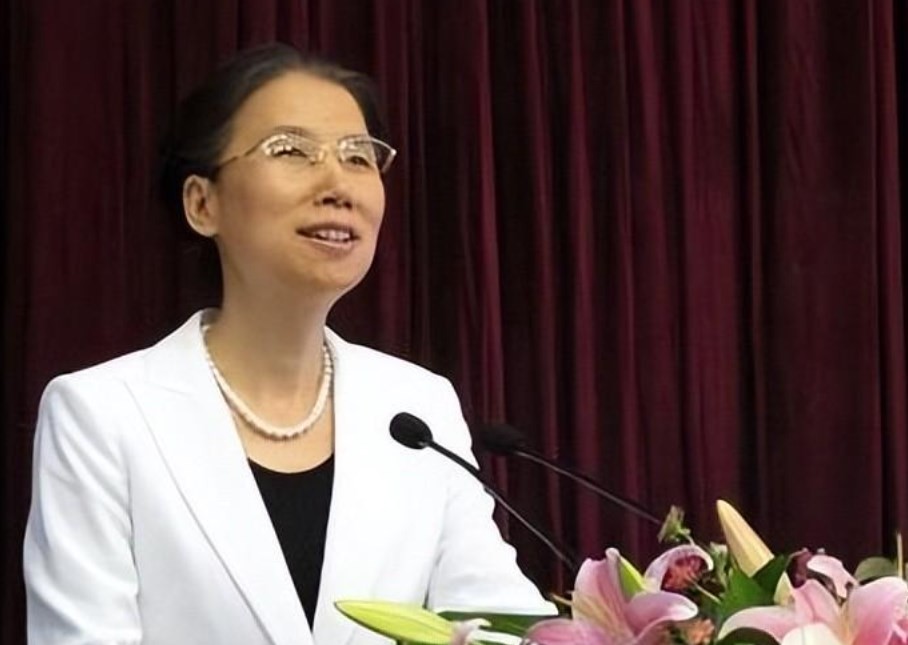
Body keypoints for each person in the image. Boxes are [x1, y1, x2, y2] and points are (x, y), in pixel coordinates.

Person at [23, 43, 553, 645]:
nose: (338, 184)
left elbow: (500, 624)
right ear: (202, 203)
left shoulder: (418, 406)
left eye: (359, 157)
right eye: (291, 151)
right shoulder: (102, 414)